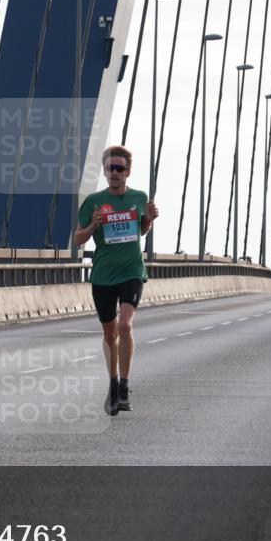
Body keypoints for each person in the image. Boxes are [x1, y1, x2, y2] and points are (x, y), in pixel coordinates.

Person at [74, 146, 158, 415]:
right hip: (103, 275)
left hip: (131, 271)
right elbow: (78, 238)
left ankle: (124, 386)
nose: (114, 173)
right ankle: (112, 384)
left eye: (119, 169)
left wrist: (150, 220)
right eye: (110, 168)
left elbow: (141, 230)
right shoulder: (93, 202)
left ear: (127, 172)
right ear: (105, 171)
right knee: (109, 334)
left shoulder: (138, 197)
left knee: (124, 325)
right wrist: (93, 227)